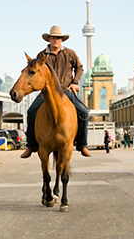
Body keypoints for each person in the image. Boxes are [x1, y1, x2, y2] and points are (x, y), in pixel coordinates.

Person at [20, 26, 91, 158]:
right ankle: (31, 145)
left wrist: (75, 82)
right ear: (49, 39)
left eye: (58, 38)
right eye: (53, 37)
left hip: (66, 91)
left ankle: (82, 144)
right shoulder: (41, 56)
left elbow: (79, 68)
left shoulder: (70, 53)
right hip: (47, 93)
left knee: (84, 112)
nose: (56, 40)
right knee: (31, 112)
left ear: (61, 40)